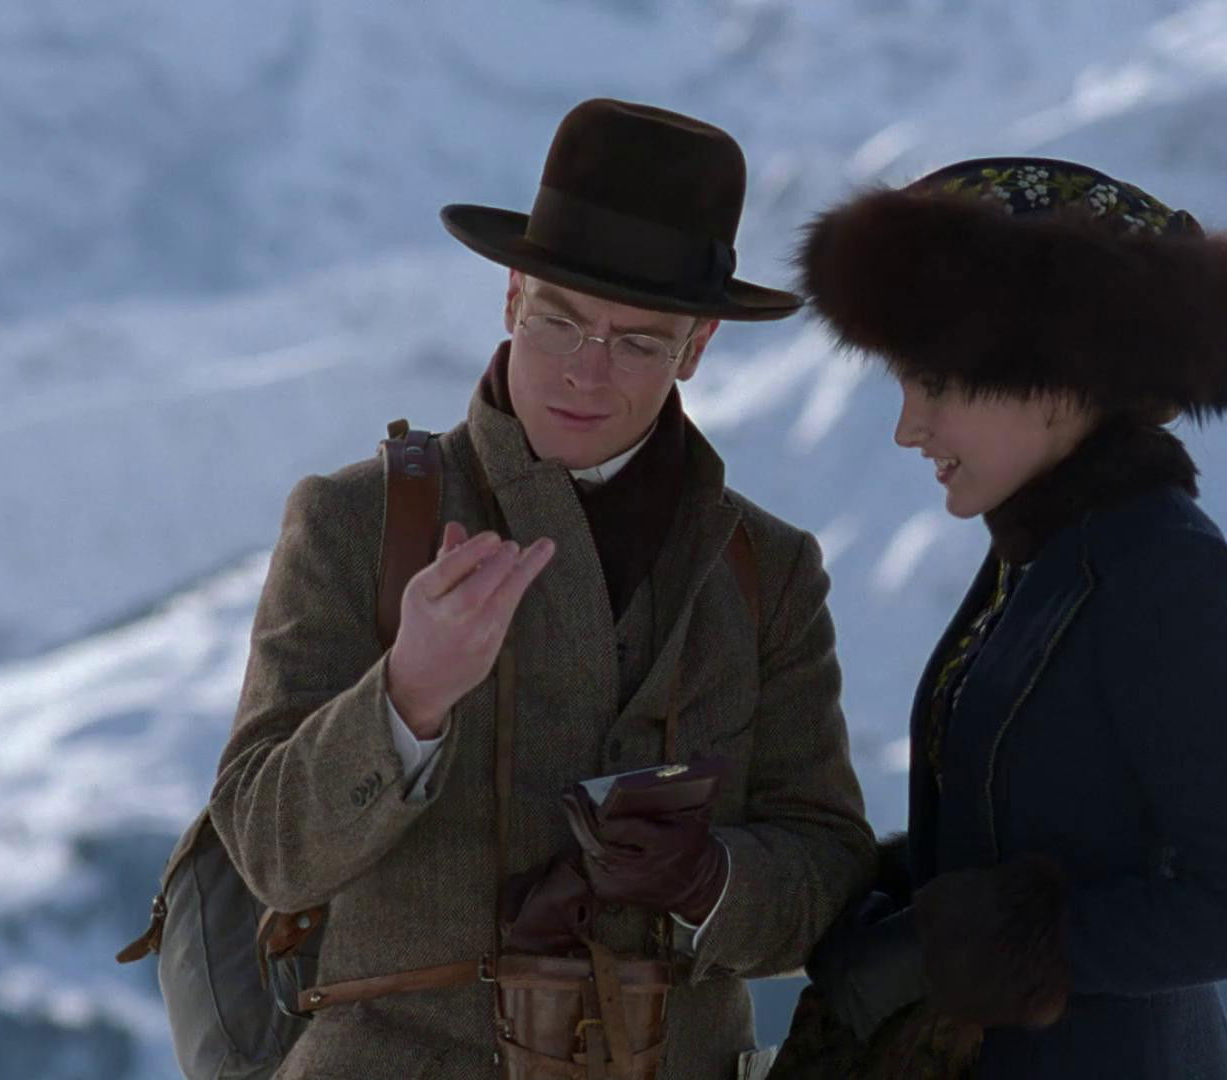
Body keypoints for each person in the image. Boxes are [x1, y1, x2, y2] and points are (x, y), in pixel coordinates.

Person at [208, 99, 875, 1079]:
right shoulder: (356, 522)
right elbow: (269, 853)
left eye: (637, 342)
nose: (585, 374)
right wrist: (406, 700)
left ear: (695, 349)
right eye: (560, 321)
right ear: (513, 298)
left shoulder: (766, 569)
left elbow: (828, 873)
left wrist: (710, 878)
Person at [773, 157, 1227, 1079]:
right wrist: (871, 901)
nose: (908, 426)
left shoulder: (1172, 580)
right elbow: (1030, 826)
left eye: (936, 384)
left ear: (1055, 381)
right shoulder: (1043, 559)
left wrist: (955, 952)